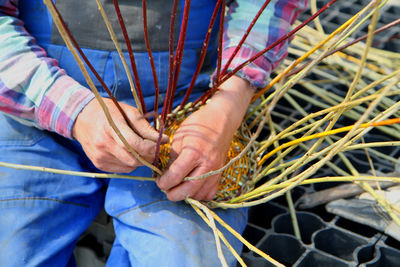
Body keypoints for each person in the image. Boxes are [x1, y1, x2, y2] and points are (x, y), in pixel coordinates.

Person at [0, 0, 306, 266]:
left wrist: (227, 105)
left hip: (183, 119)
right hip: (35, 110)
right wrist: (75, 110)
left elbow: (270, 5)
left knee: (182, 256)